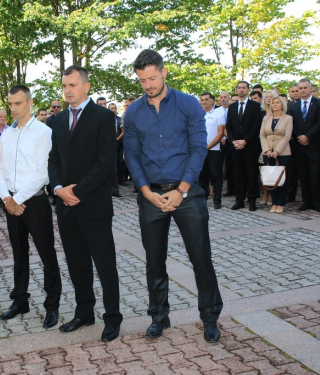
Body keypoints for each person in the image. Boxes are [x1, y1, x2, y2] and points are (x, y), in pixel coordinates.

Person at [123, 50, 223, 343]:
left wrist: (181, 190)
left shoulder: (188, 104)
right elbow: (132, 154)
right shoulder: (133, 112)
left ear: (164, 72)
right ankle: (158, 316)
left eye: (152, 78)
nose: (148, 84)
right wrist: (145, 191)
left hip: (187, 193)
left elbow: (198, 148)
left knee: (200, 258)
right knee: (154, 261)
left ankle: (210, 318)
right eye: (142, 80)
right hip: (150, 193)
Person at [48, 65, 123, 342]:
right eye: (64, 85)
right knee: (77, 263)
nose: (67, 90)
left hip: (93, 203)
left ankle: (112, 318)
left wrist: (77, 191)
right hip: (66, 206)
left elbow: (106, 162)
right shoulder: (56, 120)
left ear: (86, 86)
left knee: (105, 264)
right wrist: (58, 189)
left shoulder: (104, 117)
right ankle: (84, 312)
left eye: (72, 85)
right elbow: (54, 159)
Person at [0, 85, 62, 328]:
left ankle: (52, 305)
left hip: (33, 202)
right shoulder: (7, 134)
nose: (13, 108)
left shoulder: (43, 132)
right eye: (10, 104)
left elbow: (42, 174)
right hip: (11, 202)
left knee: (46, 253)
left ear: (30, 103)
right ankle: (20, 299)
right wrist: (6, 199)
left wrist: (17, 199)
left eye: (18, 103)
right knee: (19, 254)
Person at [287, 78, 320, 212]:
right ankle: (306, 201)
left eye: (305, 88)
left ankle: (316, 202)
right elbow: (292, 124)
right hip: (299, 145)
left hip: (313, 144)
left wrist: (308, 136)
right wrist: (300, 137)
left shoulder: (319, 103)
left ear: (310, 89)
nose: (302, 91)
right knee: (302, 175)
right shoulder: (293, 106)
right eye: (300, 89)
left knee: (314, 174)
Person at [226, 81, 262, 211]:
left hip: (250, 146)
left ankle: (252, 201)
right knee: (238, 174)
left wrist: (245, 141)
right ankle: (239, 200)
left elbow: (256, 125)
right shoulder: (232, 107)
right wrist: (233, 140)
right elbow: (228, 125)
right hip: (235, 147)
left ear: (248, 90)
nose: (241, 90)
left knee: (251, 174)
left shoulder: (254, 106)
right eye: (239, 88)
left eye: (243, 88)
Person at [260, 96, 293, 213]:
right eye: (273, 102)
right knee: (271, 178)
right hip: (268, 152)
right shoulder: (266, 118)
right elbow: (262, 135)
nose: (274, 104)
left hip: (283, 152)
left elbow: (287, 136)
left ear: (282, 105)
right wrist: (267, 150)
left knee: (281, 179)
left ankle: (281, 203)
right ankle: (273, 202)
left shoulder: (288, 118)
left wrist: (277, 151)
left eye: (277, 102)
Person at [199, 92, 226, 209]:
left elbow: (220, 133)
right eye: (202, 99)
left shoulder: (219, 113)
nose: (204, 102)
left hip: (214, 149)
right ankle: (203, 199)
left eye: (206, 99)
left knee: (216, 175)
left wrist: (208, 147)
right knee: (202, 175)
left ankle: (217, 200)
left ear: (212, 101)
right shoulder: (198, 113)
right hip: (200, 150)